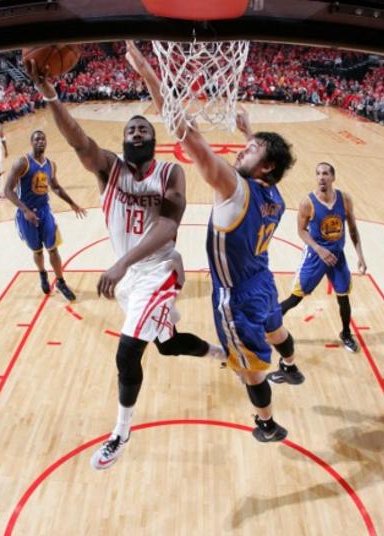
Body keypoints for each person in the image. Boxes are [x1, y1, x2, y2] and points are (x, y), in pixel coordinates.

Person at [25, 56, 225, 470]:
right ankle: (222, 353)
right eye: (131, 129)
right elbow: (79, 139)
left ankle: (120, 432)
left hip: (159, 270)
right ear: (123, 139)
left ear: (153, 139)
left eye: (144, 128)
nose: (137, 132)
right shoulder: (109, 169)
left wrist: (119, 265)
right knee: (167, 346)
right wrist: (49, 94)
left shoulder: (170, 173)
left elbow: (168, 226)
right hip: (133, 279)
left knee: (127, 352)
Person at [126, 41, 303, 444]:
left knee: (250, 369)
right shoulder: (274, 196)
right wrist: (250, 132)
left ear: (267, 165)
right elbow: (261, 162)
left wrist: (149, 73)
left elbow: (184, 129)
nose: (243, 150)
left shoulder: (233, 186)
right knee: (275, 327)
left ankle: (267, 423)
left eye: (252, 149)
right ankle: (291, 365)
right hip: (263, 282)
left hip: (236, 296)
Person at [279, 161, 367, 352]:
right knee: (295, 299)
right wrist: (319, 249)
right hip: (315, 256)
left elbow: (352, 229)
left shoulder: (345, 199)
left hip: (337, 257)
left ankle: (345, 333)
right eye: (318, 173)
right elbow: (301, 231)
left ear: (333, 177)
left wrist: (360, 256)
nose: (321, 177)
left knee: (344, 297)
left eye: (326, 173)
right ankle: (266, 325)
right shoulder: (307, 202)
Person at [2, 129, 85, 299]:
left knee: (53, 249)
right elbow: (7, 190)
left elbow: (55, 187)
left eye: (43, 139)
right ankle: (42, 274)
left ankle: (61, 281)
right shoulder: (22, 163)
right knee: (38, 251)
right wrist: (25, 210)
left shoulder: (51, 165)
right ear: (31, 142)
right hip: (26, 214)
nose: (41, 141)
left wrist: (72, 203)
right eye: (37, 139)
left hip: (45, 212)